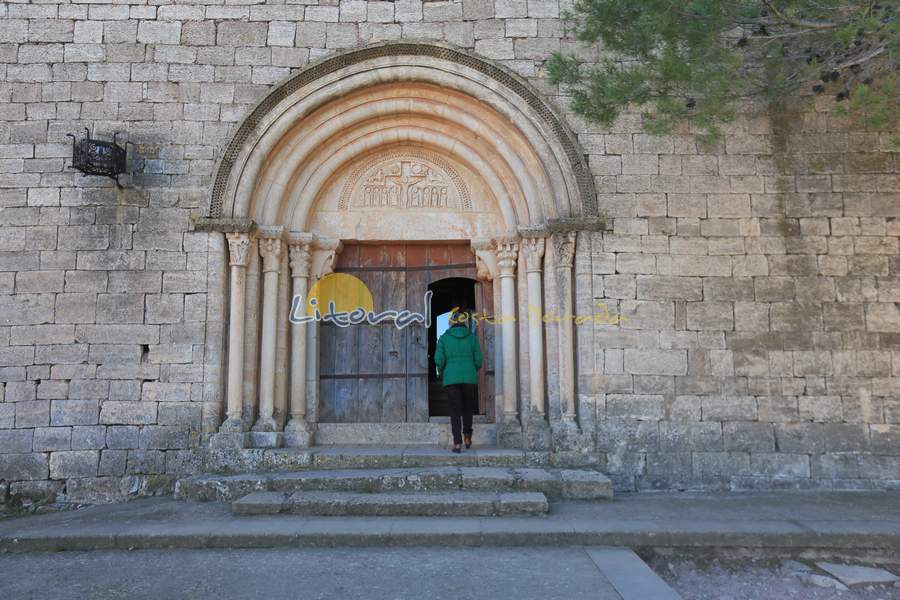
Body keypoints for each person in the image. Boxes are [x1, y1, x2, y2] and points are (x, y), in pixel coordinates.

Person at [434, 308, 483, 453]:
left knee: (455, 410)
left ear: (450, 322)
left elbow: (438, 359)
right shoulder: (472, 338)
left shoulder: (444, 338)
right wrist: (472, 370)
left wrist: (442, 373)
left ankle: (457, 443)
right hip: (469, 377)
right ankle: (467, 436)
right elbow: (479, 360)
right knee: (468, 408)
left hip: (451, 378)